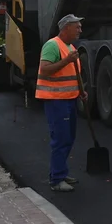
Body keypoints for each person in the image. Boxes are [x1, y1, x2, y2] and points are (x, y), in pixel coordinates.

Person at [37, 14, 88, 192]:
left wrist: (81, 91)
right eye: (77, 27)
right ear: (66, 28)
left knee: (69, 138)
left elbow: (72, 74)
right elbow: (44, 70)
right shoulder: (52, 45)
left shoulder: (69, 47)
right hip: (56, 101)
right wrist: (67, 60)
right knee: (61, 139)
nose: (80, 30)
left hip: (69, 99)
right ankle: (56, 180)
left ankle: (60, 171)